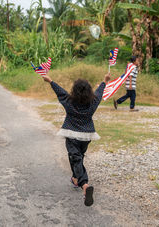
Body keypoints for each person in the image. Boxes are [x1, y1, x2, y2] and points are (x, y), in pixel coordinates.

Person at [42, 72, 110, 206]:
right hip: (87, 135)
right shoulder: (93, 102)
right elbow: (100, 92)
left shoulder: (69, 101)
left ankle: (84, 184)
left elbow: (60, 91)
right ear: (89, 91)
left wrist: (50, 81)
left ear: (74, 90)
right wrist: (104, 81)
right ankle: (75, 178)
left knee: (75, 157)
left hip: (72, 134)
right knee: (78, 156)